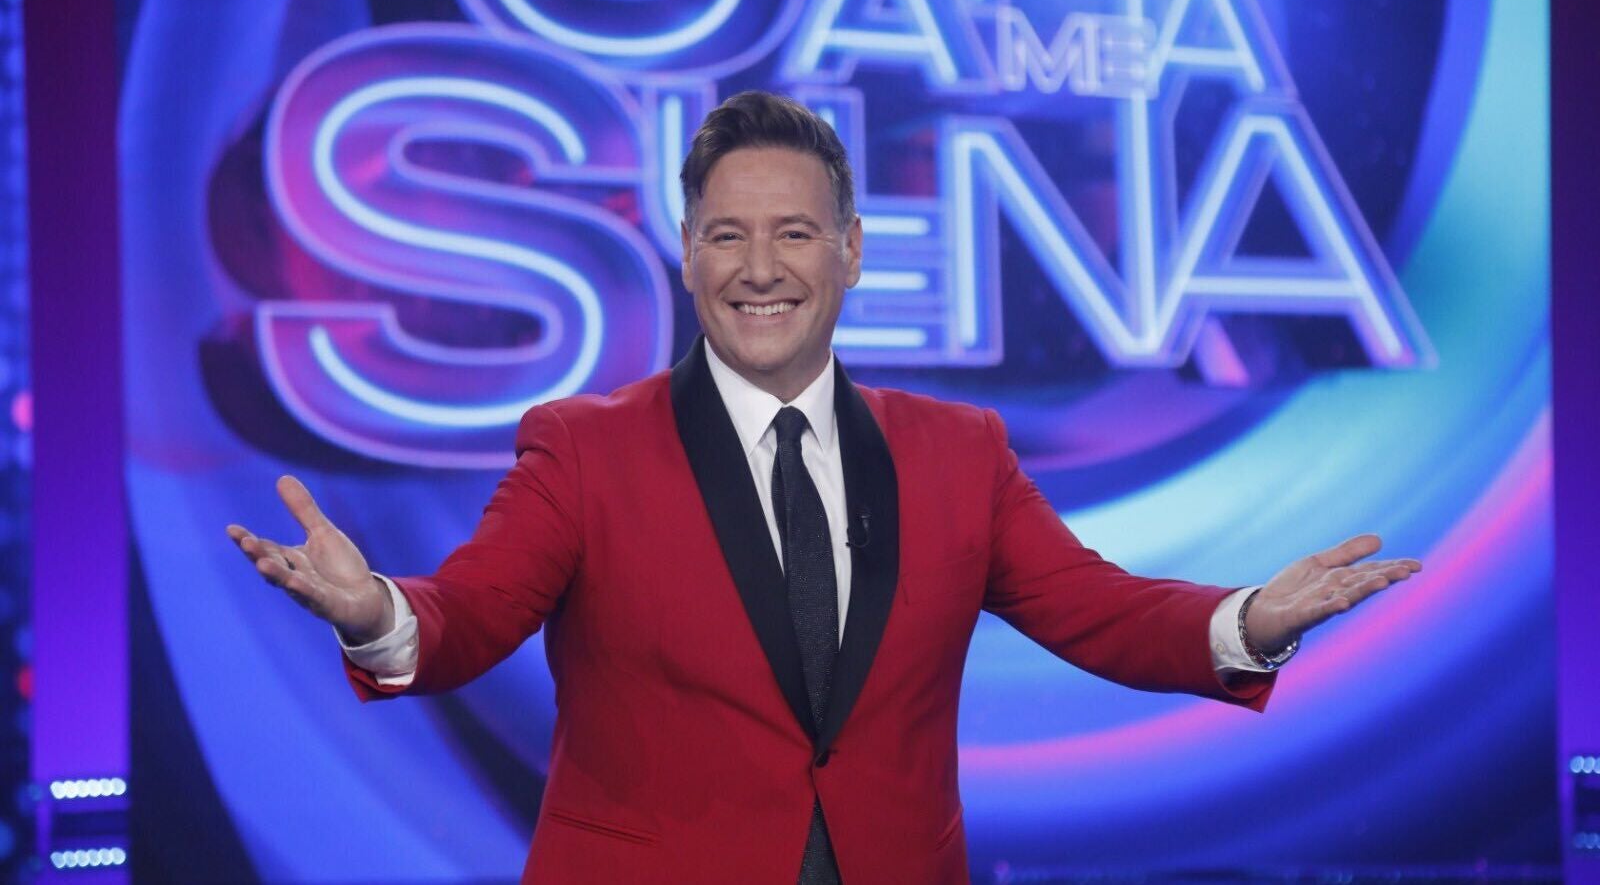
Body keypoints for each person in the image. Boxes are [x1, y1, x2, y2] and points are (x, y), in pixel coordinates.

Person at [226, 91, 1421, 884]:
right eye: (726, 236)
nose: (759, 269)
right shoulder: (583, 448)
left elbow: (1098, 610)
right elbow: (470, 615)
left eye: (794, 234)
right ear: (686, 254)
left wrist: (1246, 621)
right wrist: (378, 613)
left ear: (851, 251)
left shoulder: (958, 451)